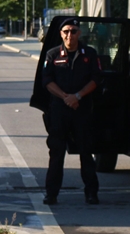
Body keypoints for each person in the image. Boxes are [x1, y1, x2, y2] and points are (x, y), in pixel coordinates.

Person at [41, 17, 102, 205]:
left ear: (79, 33)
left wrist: (78, 96)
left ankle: (91, 193)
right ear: (61, 34)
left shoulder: (89, 54)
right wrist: (66, 98)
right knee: (57, 153)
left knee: (86, 152)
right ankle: (51, 194)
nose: (70, 35)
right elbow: (47, 81)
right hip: (60, 110)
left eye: (73, 31)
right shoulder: (52, 55)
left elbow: (96, 79)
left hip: (82, 109)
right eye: (66, 31)